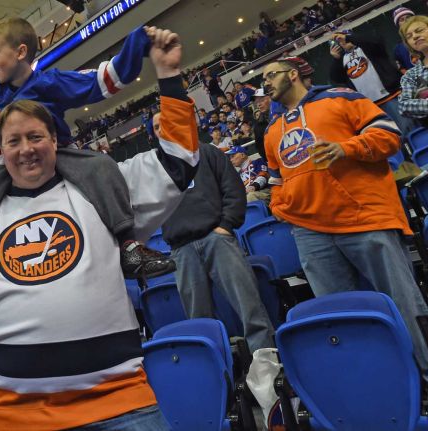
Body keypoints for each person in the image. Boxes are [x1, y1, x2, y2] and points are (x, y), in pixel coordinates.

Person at [0, 27, 195, 430]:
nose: (25, 148)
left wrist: (164, 71)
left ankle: (130, 246)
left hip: (122, 407)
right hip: (10, 417)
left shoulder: (94, 172)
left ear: (53, 138)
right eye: (12, 140)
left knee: (101, 166)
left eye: (35, 136)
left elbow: (177, 161)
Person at [0, 18, 175, 332]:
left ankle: (129, 247)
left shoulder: (51, 82)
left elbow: (105, 82)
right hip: (4, 165)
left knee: (101, 167)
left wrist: (135, 41)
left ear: (20, 51)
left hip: (58, 153)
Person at [262, 58, 428, 379]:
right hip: (311, 233)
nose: (265, 83)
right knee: (339, 318)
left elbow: (389, 134)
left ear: (293, 74)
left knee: (403, 303)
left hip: (365, 217)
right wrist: (284, 209)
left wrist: (346, 148)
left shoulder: (341, 96)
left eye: (271, 75)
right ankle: (377, 385)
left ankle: (424, 372)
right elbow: (275, 180)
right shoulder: (271, 131)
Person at [157, 116, 275, 353]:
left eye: (165, 122)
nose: (161, 129)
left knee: (249, 307)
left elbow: (234, 189)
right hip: (182, 250)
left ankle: (268, 365)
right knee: (199, 321)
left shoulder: (207, 153)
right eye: (156, 127)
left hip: (216, 237)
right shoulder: (154, 167)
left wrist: (225, 225)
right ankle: (220, 374)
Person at [329, 30, 415, 135]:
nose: (342, 41)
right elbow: (336, 78)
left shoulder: (368, 48)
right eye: (339, 41)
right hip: (370, 107)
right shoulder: (342, 59)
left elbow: (376, 42)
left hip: (390, 96)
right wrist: (336, 59)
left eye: (343, 38)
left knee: (409, 129)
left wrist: (349, 38)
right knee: (392, 137)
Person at [399, 15, 428, 128]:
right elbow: (403, 106)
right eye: (409, 36)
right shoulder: (411, 75)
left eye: (419, 30)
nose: (415, 36)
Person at [393, 7, 418, 72]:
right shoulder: (398, 49)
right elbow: (401, 67)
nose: (406, 20)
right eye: (402, 20)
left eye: (408, 17)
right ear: (399, 25)